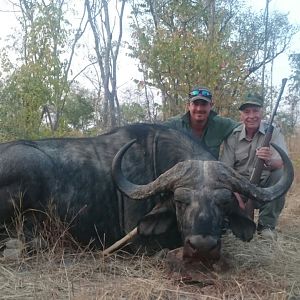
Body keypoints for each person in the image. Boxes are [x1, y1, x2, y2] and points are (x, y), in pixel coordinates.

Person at [221, 93, 288, 240]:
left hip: (263, 187)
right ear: (241, 116)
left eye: (255, 111)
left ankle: (266, 226)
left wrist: (269, 160)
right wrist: (238, 200)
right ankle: (229, 224)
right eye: (246, 112)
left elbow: (282, 162)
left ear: (261, 112)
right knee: (221, 192)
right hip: (238, 189)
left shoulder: (273, 132)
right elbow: (226, 171)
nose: (251, 116)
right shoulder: (233, 136)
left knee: (280, 174)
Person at [164, 86, 238, 159]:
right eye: (195, 104)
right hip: (184, 170)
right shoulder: (175, 124)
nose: (199, 109)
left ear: (211, 106)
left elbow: (242, 126)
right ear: (188, 106)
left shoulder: (220, 124)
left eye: (204, 104)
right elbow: (155, 130)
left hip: (211, 170)